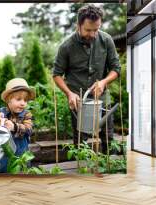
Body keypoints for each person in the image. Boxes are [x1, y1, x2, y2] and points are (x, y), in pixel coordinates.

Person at [52, 5, 121, 152]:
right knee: (80, 144)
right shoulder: (66, 46)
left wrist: (103, 82)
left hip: (102, 98)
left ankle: (111, 172)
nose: (93, 34)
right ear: (79, 25)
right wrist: (69, 93)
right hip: (79, 101)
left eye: (96, 29)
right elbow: (57, 74)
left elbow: (116, 69)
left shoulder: (106, 40)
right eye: (88, 30)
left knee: (108, 139)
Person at [0, 78, 35, 173]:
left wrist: (14, 127)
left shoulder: (27, 115)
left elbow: (29, 129)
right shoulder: (1, 113)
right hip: (3, 158)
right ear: (8, 100)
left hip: (21, 158)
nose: (23, 103)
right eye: (19, 99)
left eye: (25, 100)